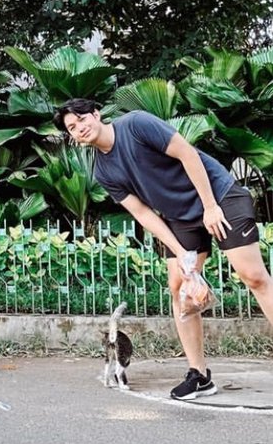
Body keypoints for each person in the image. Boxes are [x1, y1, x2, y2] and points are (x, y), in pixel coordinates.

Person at [54, 99, 273, 401]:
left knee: (253, 277)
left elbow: (187, 154)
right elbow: (143, 214)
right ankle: (199, 375)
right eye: (72, 128)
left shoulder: (136, 124)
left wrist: (210, 207)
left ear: (96, 114)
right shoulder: (103, 171)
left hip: (219, 196)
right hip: (180, 216)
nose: (80, 128)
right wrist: (182, 254)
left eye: (81, 119)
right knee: (179, 285)